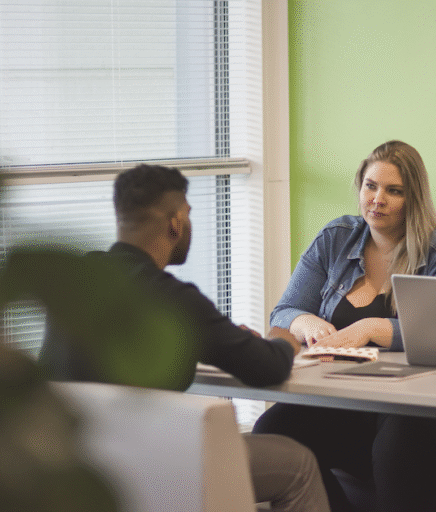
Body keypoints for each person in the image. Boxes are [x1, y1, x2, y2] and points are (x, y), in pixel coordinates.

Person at [38, 164, 330, 512]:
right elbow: (268, 368)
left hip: (79, 463)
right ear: (175, 222)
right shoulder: (175, 299)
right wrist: (285, 338)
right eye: (188, 214)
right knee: (299, 465)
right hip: (152, 464)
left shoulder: (74, 281)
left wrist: (205, 342)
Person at [254, 140, 436, 512]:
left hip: (430, 407)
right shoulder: (335, 238)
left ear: (415, 198)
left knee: (398, 443)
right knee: (273, 429)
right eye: (370, 186)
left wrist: (376, 328)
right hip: (354, 399)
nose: (377, 199)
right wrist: (305, 321)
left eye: (394, 191)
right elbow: (284, 310)